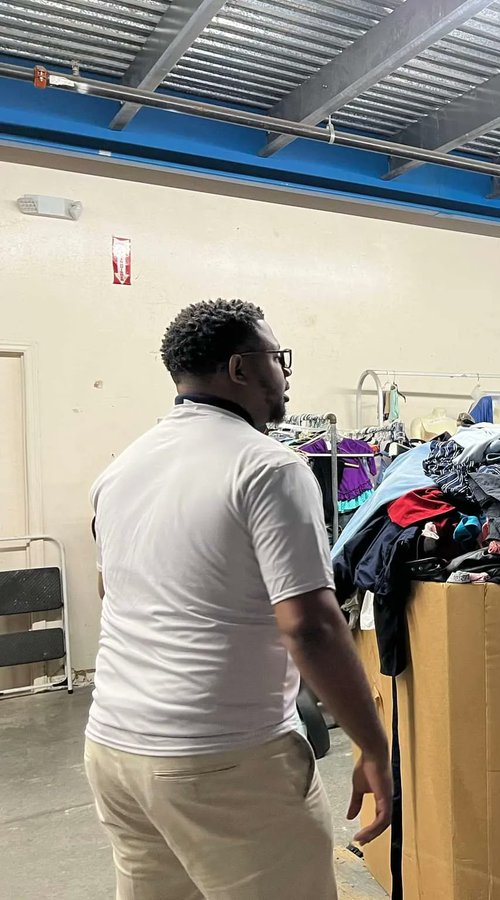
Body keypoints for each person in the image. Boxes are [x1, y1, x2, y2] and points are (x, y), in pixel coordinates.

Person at [86, 299, 392, 900]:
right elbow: (311, 628)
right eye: (278, 358)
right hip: (224, 762)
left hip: (115, 750)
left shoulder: (121, 469)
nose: (284, 374)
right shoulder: (269, 468)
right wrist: (373, 744)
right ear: (240, 368)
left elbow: (111, 590)